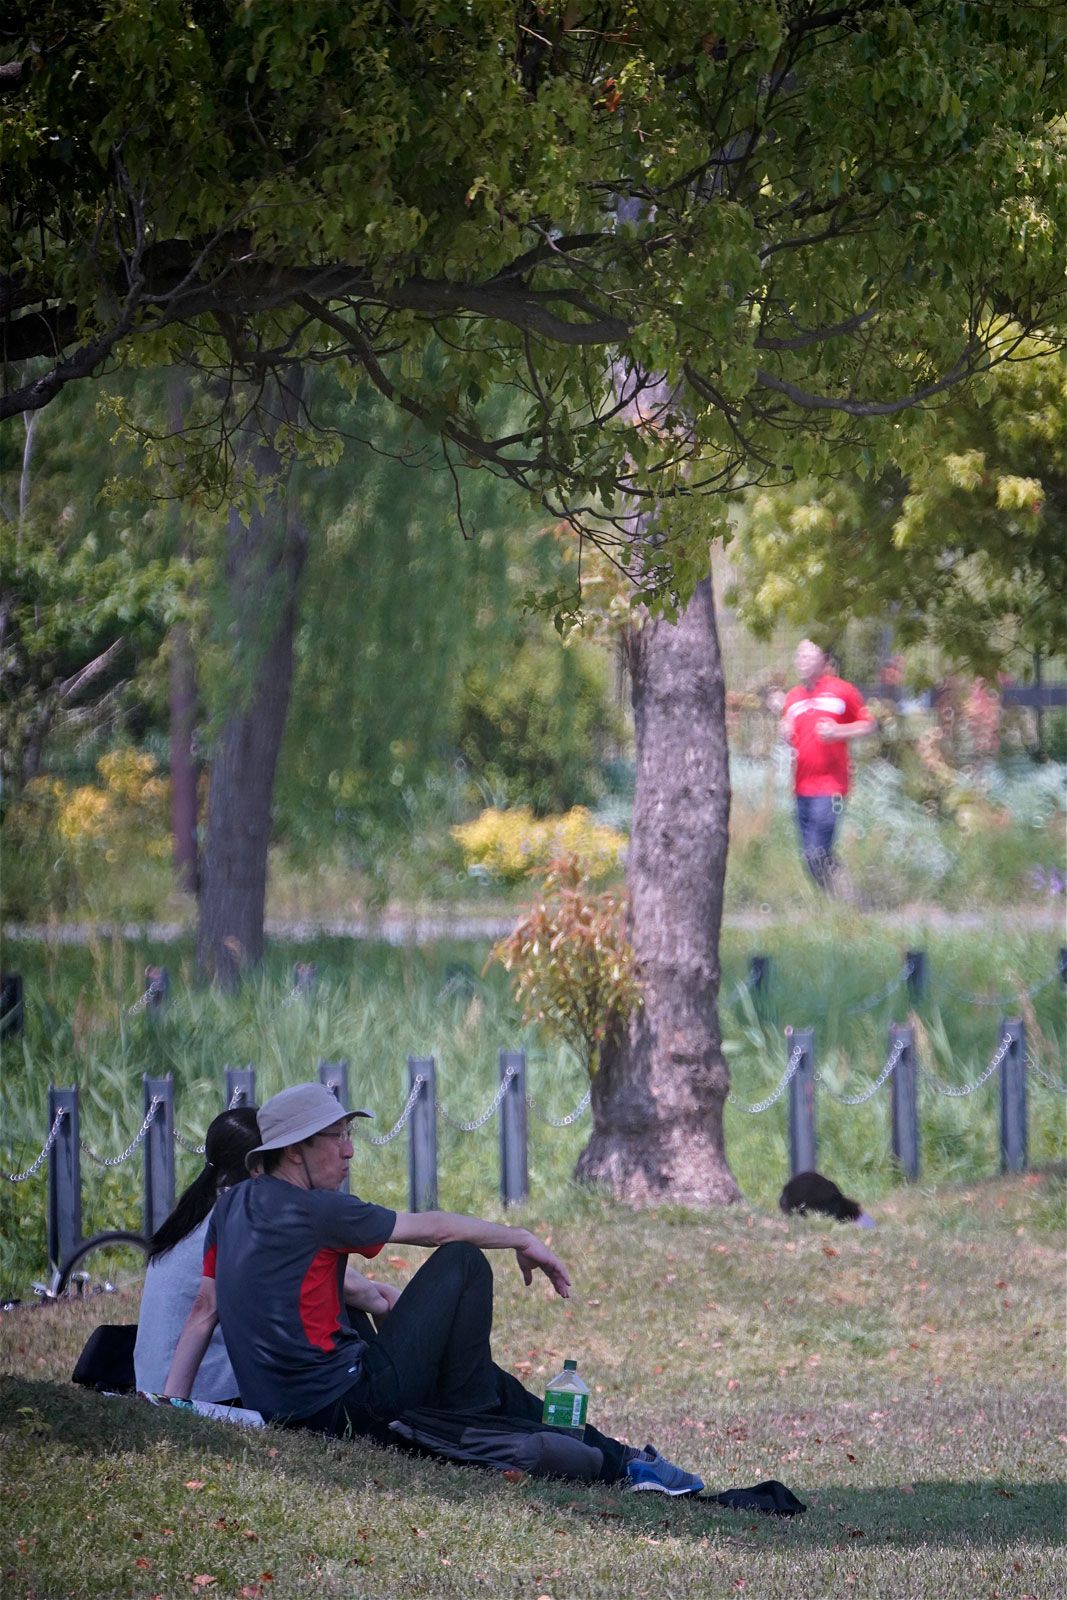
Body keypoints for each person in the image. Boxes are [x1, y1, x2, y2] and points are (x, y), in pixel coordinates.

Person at [164, 1083, 703, 1495]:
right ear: (295, 1150)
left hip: (284, 1410)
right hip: (346, 1405)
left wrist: (169, 1407)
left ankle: (516, 1419)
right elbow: (438, 1231)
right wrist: (522, 1237)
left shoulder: (230, 1207)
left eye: (350, 1136)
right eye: (338, 1137)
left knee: (412, 1335)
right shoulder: (318, 1210)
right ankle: (476, 1411)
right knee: (462, 1263)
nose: (349, 1151)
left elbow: (205, 1310)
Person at [134, 1106, 261, 1401]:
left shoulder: (199, 1207)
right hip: (199, 1392)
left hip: (153, 1381)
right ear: (258, 1165)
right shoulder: (239, 1213)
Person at [780, 640, 875, 892]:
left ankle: (847, 897)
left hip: (831, 787)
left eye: (808, 655)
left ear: (823, 660)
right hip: (801, 788)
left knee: (817, 852)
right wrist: (784, 733)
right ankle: (843, 899)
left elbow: (869, 725)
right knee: (810, 857)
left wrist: (838, 731)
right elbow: (792, 736)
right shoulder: (793, 697)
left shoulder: (842, 691)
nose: (802, 660)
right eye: (798, 655)